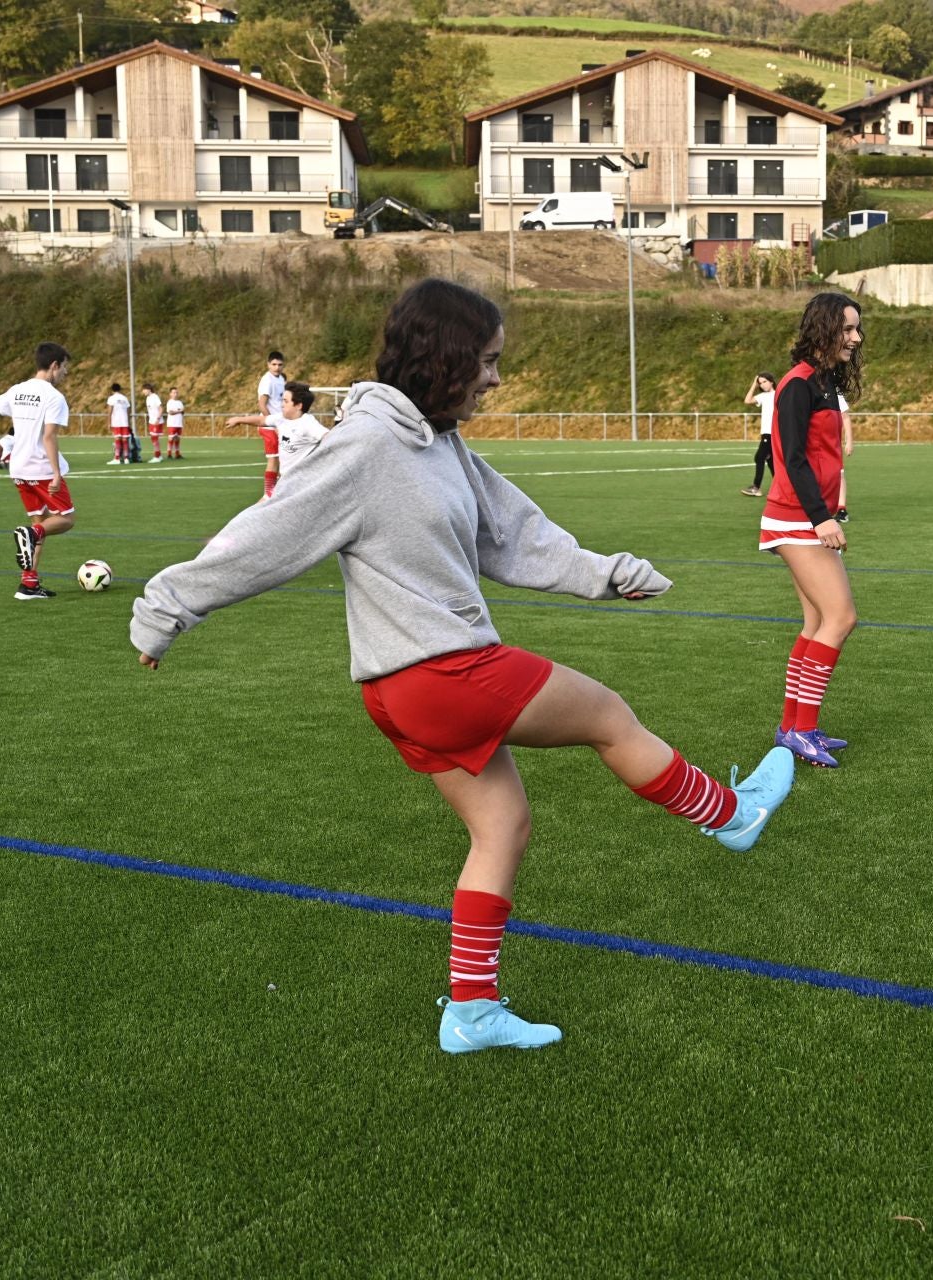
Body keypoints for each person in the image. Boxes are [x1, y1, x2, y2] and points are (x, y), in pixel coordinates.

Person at [130, 279, 794, 1055]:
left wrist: (604, 573)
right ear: (442, 358)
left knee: (502, 825)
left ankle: (471, 1013)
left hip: (405, 688)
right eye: (487, 361)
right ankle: (732, 815)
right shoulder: (367, 446)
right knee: (610, 716)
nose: (496, 378)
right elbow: (270, 533)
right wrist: (167, 607)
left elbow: (511, 533)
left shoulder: (441, 441)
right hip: (440, 673)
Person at [761, 291, 861, 769]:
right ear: (824, 330)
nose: (855, 338)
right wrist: (822, 517)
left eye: (857, 329)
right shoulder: (798, 384)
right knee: (841, 618)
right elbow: (793, 459)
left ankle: (793, 727)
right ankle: (801, 731)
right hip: (796, 517)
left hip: (806, 515)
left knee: (817, 623)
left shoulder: (822, 382)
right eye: (847, 329)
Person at [0, 342, 76, 601]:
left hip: (18, 469)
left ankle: (28, 585)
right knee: (65, 519)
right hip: (41, 468)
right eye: (64, 367)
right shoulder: (54, 397)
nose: (65, 373)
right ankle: (31, 535)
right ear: (54, 365)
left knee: (40, 521)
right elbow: (49, 436)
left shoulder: (17, 390)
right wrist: (56, 473)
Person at [225, 381, 329, 488]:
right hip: (286, 480)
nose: (282, 404)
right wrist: (239, 419)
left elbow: (328, 436)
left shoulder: (308, 423)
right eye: (282, 400)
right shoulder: (281, 418)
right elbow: (261, 420)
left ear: (298, 405)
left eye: (286, 401)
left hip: (301, 483)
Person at [257, 350, 287, 499]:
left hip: (279, 424)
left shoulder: (281, 379)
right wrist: (273, 425)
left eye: (280, 365)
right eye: (274, 364)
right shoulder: (267, 380)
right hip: (270, 426)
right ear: (268, 364)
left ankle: (278, 491)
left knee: (283, 458)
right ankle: (268, 494)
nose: (277, 367)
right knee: (273, 459)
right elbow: (262, 404)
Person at [741, 372, 775, 497]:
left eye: (764, 381)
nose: (762, 385)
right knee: (770, 460)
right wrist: (754, 385)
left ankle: (756, 487)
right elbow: (747, 400)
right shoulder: (763, 396)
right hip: (766, 433)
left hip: (772, 433)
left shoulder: (779, 394)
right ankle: (780, 486)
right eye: (760, 383)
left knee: (759, 457)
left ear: (771, 381)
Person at [834, 393, 851, 523]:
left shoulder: (835, 393)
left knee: (839, 474)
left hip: (832, 443)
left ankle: (841, 510)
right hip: (813, 442)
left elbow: (845, 417)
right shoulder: (808, 389)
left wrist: (849, 440)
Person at [106, 382, 132, 465]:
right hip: (125, 422)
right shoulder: (125, 398)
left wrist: (109, 422)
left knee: (117, 439)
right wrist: (128, 422)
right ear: (120, 389)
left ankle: (117, 458)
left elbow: (110, 411)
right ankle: (126, 458)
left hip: (116, 422)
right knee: (125, 440)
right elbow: (128, 410)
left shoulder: (111, 398)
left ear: (112, 390)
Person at [143, 382, 165, 464]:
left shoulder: (155, 397)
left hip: (156, 421)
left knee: (155, 438)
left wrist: (158, 419)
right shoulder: (147, 398)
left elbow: (161, 409)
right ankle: (159, 455)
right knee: (153, 439)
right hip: (151, 421)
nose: (143, 391)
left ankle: (157, 457)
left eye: (144, 390)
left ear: (149, 390)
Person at [165, 386, 186, 460]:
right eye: (173, 393)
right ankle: (169, 454)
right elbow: (170, 412)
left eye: (176, 392)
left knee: (177, 439)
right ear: (170, 394)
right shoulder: (170, 402)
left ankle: (177, 454)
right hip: (172, 423)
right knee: (171, 438)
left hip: (179, 423)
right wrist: (179, 411)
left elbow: (183, 411)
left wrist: (181, 411)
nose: (175, 394)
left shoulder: (179, 402)